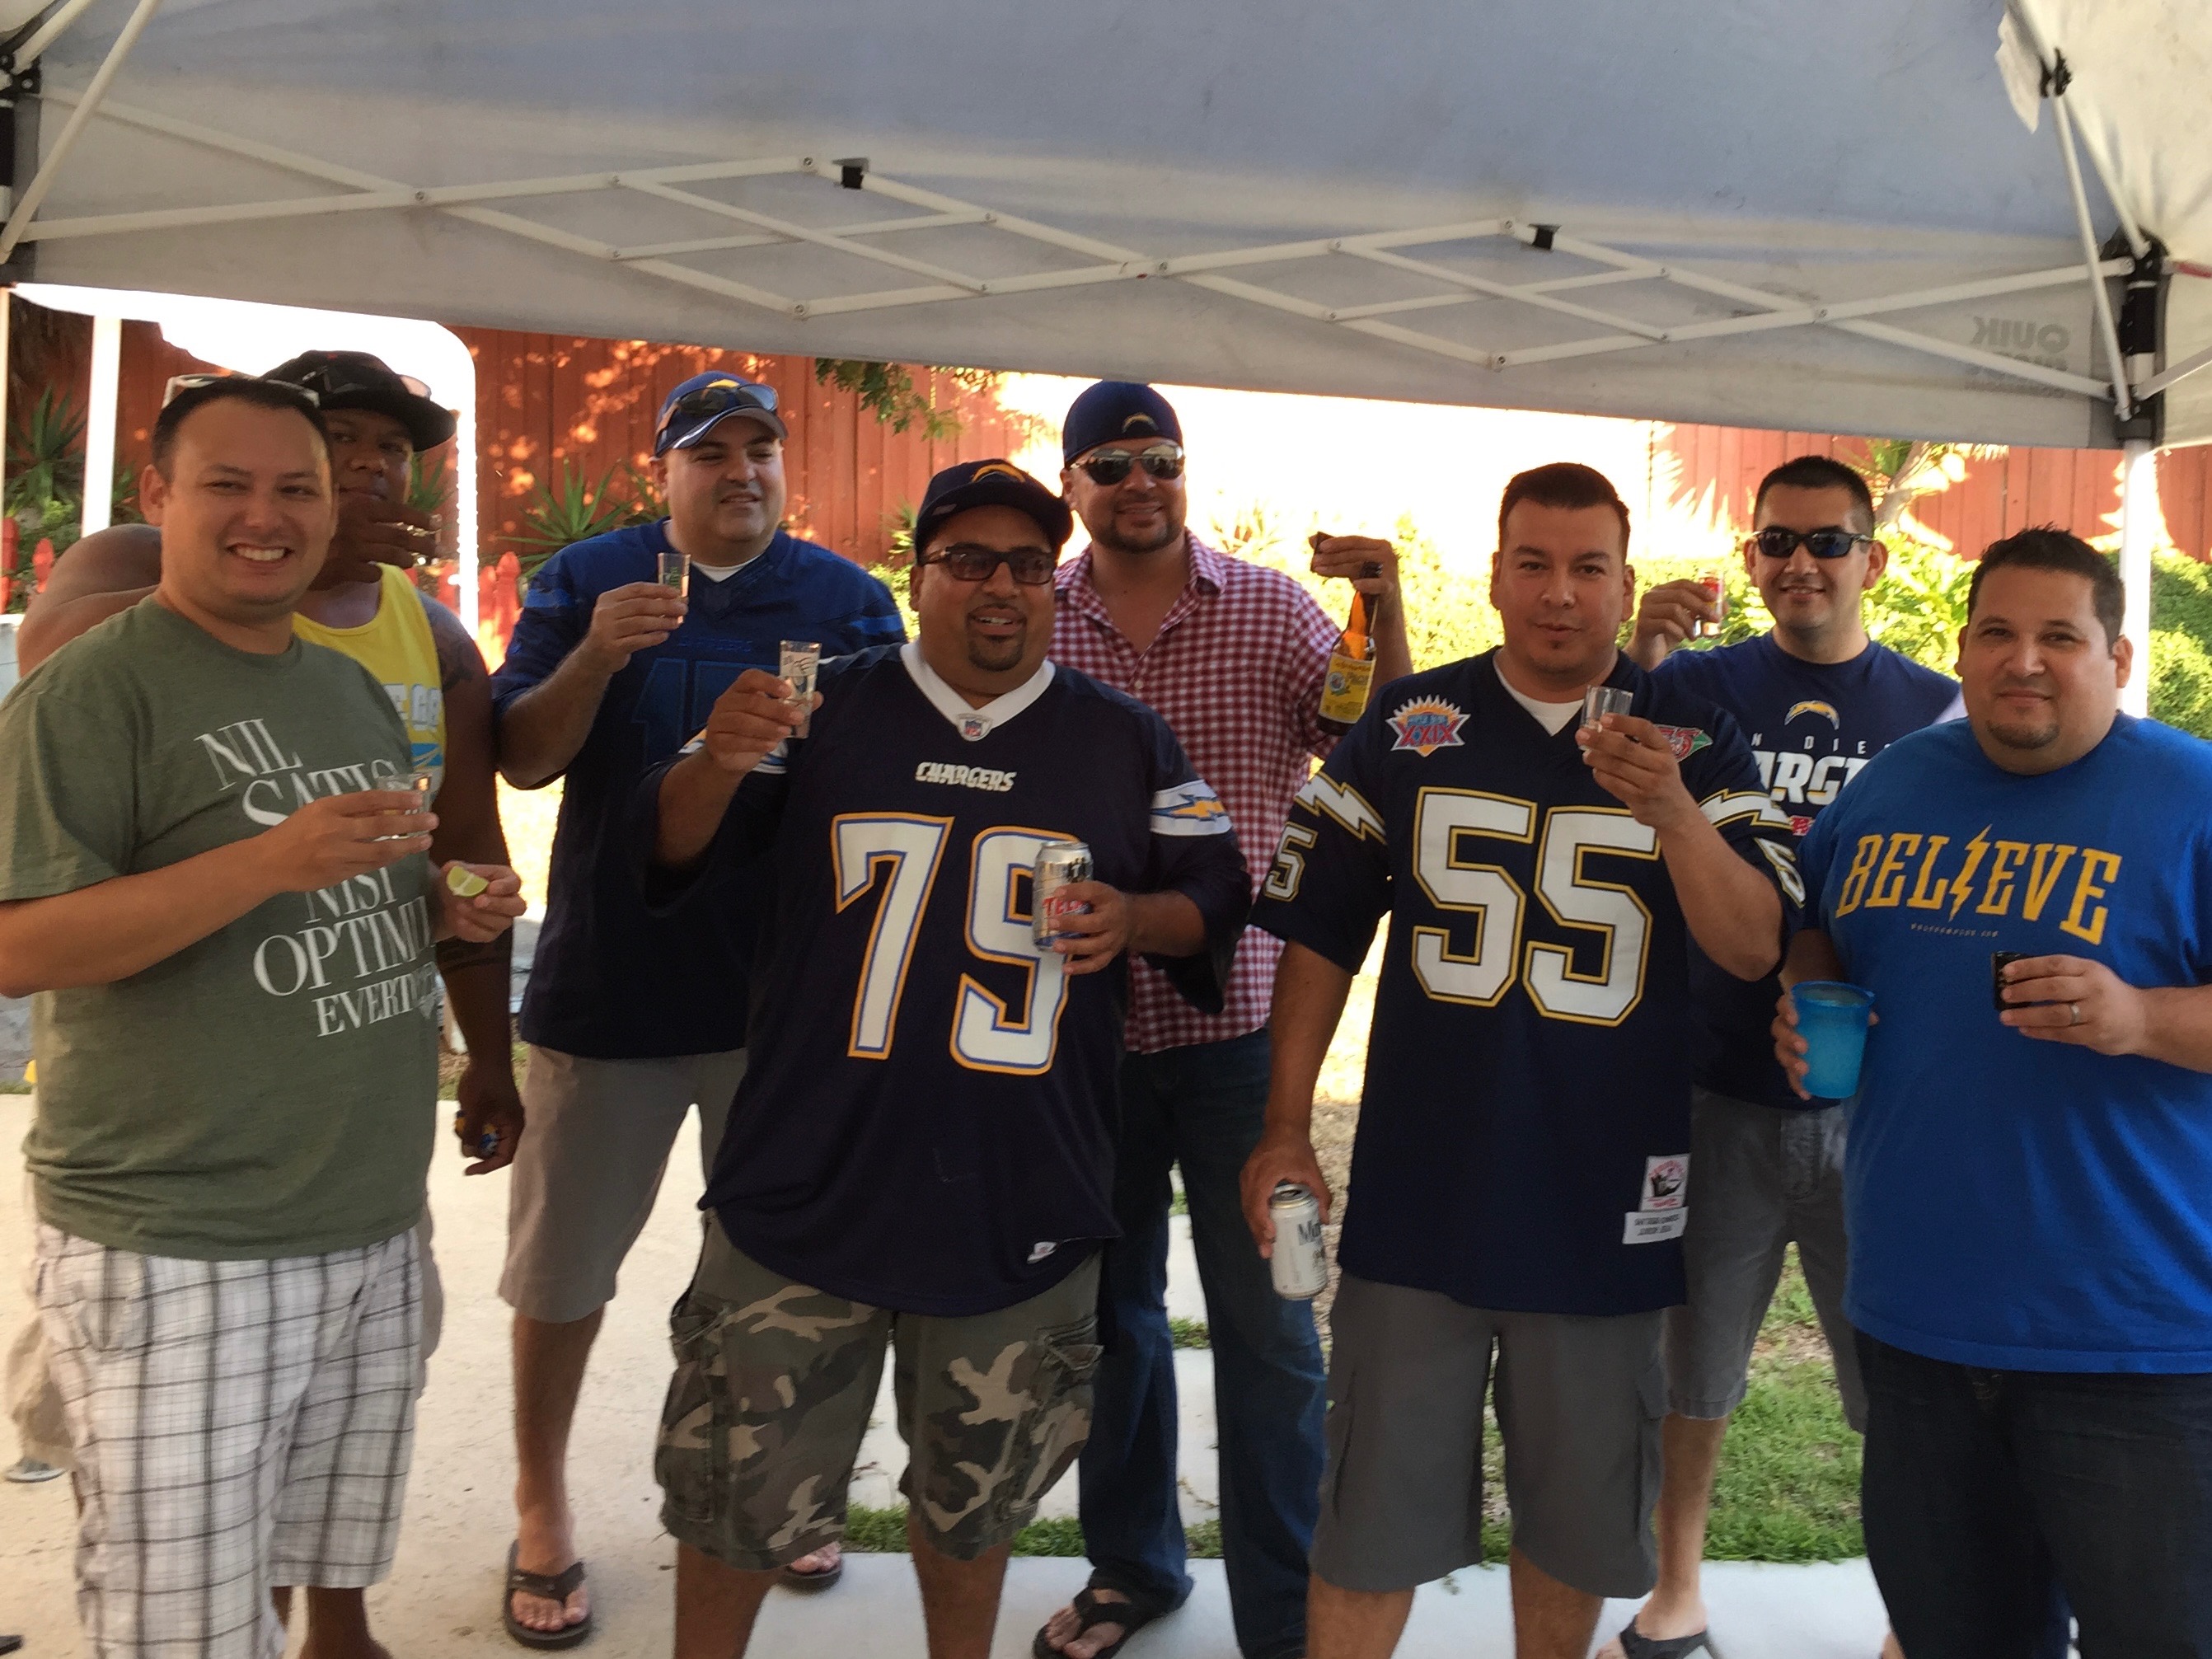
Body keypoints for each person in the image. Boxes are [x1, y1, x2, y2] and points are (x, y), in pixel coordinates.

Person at [637, 458, 1249, 1659]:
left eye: (1027, 564)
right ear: (917, 577)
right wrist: (714, 758)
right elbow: (670, 847)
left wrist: (1137, 917)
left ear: (1054, 585)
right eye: (967, 560)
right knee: (734, 1505)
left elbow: (1218, 889)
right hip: (807, 1183)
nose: (999, 586)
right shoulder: (817, 705)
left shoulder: (1124, 736)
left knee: (976, 1514)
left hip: (1017, 1196)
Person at [1241, 462, 1802, 1659]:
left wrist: (1677, 814)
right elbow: (1318, 935)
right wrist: (1286, 1125)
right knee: (1369, 1524)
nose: (1560, 594)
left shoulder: (1695, 738)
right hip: (1421, 1194)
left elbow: (1755, 946)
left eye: (1589, 568)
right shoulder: (1411, 721)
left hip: (1605, 1202)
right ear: (1495, 576)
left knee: (1576, 1523)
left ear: (1625, 585)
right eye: (1534, 565)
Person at [4, 355, 522, 1652]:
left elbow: (352, 891)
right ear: (157, 495)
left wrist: (443, 908)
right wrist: (266, 861)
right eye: (228, 483)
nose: (267, 514)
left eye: (297, 488)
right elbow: (15, 947)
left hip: (365, 1220)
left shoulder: (343, 683)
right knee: (181, 1623)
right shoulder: (99, 685)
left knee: (311, 1564)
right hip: (182, 1240)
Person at [490, 372, 905, 1642]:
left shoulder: (848, 600)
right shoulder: (588, 579)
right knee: (564, 1271)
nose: (741, 470)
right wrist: (598, 655)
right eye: (710, 451)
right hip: (608, 987)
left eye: (760, 447)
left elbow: (888, 781)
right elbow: (522, 757)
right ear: (662, 472)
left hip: (779, 1001)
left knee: (780, 1276)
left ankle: (782, 1489)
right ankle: (541, 1501)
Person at [1774, 527, 2212, 1657]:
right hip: (1918, 1325)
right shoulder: (1894, 784)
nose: (2025, 660)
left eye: (2060, 636)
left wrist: (2142, 1018)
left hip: (2135, 1344)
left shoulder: (2193, 796)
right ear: (1962, 652)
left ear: (2117, 656)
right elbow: (1817, 926)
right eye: (1998, 634)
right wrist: (1807, 997)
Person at [1038, 382, 1411, 1659]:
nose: (1140, 481)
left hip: (1245, 1035)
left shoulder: (1272, 609)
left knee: (1275, 1332)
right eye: (1110, 464)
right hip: (1078, 1037)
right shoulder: (1039, 614)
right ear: (1073, 485)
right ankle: (1133, 1566)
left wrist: (1385, 607)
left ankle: (1289, 1617)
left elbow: (1383, 744)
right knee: (1112, 1323)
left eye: (1161, 457)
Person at [1600, 456, 1958, 1659]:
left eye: (1828, 541)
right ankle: (1676, 1593)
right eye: (1776, 542)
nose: (1800, 562)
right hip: (1714, 1084)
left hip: (1884, 1102)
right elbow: (1595, 780)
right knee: (1693, 1370)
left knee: (1901, 1383)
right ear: (1750, 556)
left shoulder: (1935, 709)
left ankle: (1914, 1615)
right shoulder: (1693, 685)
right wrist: (1640, 656)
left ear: (1875, 558)